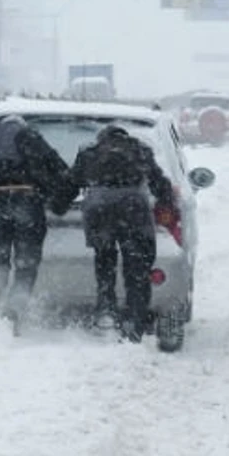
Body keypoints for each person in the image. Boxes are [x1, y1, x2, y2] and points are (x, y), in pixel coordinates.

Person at [60, 124, 176, 342]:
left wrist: (57, 205)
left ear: (101, 138)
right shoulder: (140, 150)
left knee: (105, 262)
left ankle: (106, 312)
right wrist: (167, 202)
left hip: (98, 210)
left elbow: (71, 184)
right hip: (134, 210)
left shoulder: (90, 153)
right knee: (137, 268)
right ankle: (135, 320)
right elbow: (159, 183)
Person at [0, 115, 69, 332]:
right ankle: (12, 316)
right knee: (25, 265)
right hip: (28, 203)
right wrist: (50, 193)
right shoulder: (30, 136)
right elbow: (58, 167)